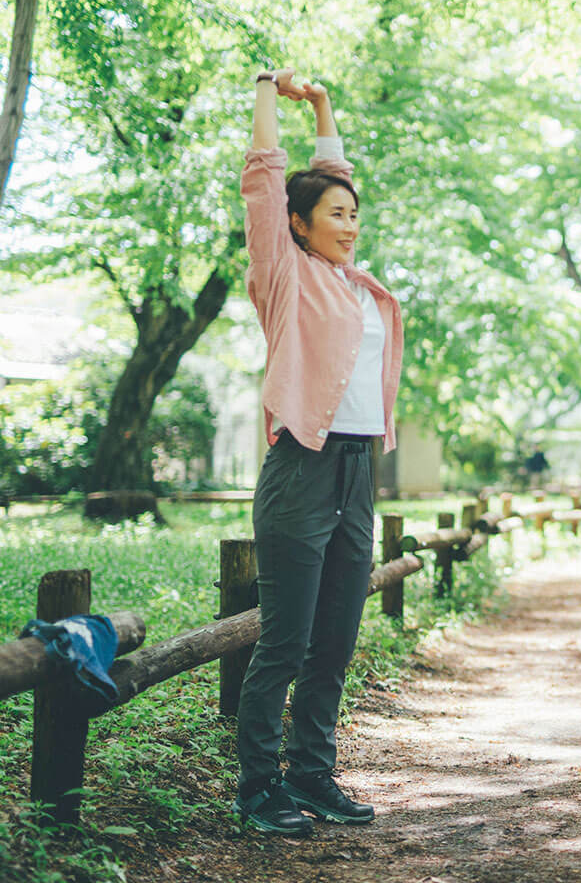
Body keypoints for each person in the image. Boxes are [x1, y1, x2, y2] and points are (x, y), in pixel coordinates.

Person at [233, 68, 405, 836]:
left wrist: (327, 107)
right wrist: (271, 91)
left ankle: (313, 775)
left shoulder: (358, 286)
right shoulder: (285, 274)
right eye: (337, 214)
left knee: (335, 640)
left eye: (356, 213)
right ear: (298, 225)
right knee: (285, 642)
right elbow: (270, 185)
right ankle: (258, 789)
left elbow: (332, 175)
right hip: (303, 465)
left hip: (358, 468)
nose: (351, 222)